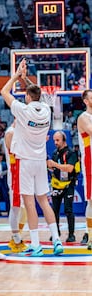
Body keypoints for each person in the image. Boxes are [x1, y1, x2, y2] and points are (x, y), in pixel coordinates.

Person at [0, 58, 63, 257]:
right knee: (44, 201)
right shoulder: (46, 110)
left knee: (29, 203)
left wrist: (17, 76)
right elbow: (37, 94)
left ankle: (36, 245)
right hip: (40, 160)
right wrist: (26, 80)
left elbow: (3, 92)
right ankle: (57, 240)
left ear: (27, 96)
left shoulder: (22, 110)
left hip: (25, 161)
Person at [47, 131, 78, 243]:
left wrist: (54, 164)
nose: (55, 142)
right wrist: (50, 167)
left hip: (68, 184)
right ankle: (56, 233)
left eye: (57, 140)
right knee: (54, 210)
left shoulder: (71, 153)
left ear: (64, 140)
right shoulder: (55, 153)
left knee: (68, 210)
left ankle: (71, 234)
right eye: (54, 140)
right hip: (56, 184)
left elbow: (70, 168)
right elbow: (55, 169)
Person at [4, 121, 27, 253]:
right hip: (15, 174)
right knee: (16, 207)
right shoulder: (10, 133)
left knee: (24, 210)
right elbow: (15, 151)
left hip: (23, 173)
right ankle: (16, 239)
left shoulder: (19, 132)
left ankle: (16, 238)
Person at [76, 89, 92, 250]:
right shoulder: (83, 117)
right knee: (91, 200)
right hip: (90, 164)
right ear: (86, 101)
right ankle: (90, 237)